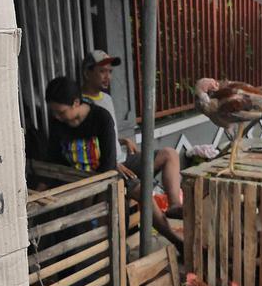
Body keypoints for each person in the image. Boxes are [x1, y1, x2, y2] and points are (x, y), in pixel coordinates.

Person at [44, 76, 183, 252]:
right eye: (54, 113)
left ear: (76, 103)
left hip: (106, 174)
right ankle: (113, 254)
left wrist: (92, 193)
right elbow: (53, 158)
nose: (56, 117)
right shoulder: (58, 123)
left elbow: (109, 164)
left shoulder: (101, 118)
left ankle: (174, 237)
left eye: (61, 112)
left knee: (141, 193)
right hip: (78, 179)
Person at [80, 50, 184, 219]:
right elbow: (85, 144)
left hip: (123, 158)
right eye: (102, 71)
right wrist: (111, 162)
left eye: (110, 72)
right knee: (137, 195)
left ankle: (174, 206)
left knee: (169, 154)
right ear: (87, 72)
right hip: (107, 166)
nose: (108, 77)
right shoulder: (79, 103)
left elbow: (106, 134)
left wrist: (123, 140)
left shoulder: (106, 99)